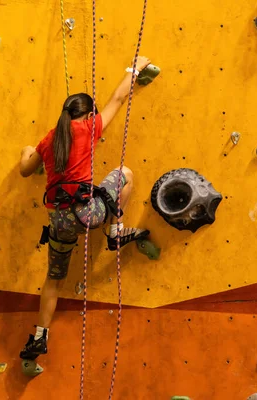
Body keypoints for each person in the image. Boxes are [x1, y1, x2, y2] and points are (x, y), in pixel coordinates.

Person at [17, 56, 153, 360]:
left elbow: (26, 169)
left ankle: (40, 336)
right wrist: (135, 67)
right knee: (126, 173)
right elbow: (118, 98)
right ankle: (115, 231)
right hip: (88, 213)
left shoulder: (49, 140)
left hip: (59, 224)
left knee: (53, 280)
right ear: (89, 113)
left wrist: (27, 150)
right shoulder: (89, 128)